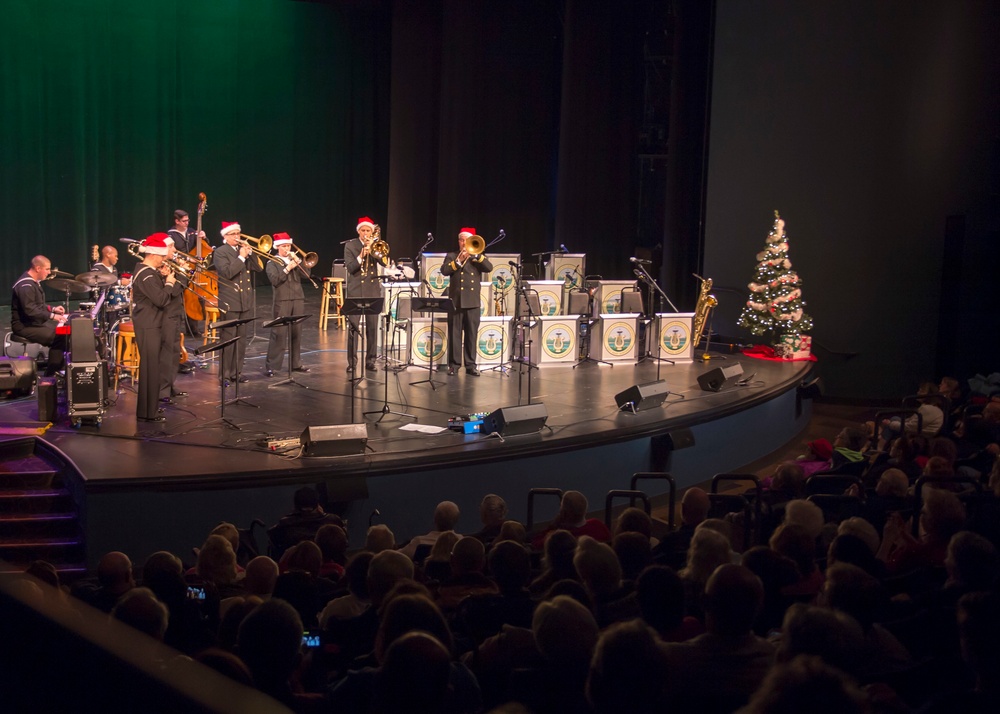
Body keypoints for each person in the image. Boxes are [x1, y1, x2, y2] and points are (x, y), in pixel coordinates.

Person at [131, 234, 183, 422]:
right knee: (150, 370)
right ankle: (147, 412)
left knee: (151, 369)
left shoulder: (149, 272)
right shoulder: (146, 274)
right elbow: (161, 300)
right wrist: (169, 282)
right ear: (154, 255)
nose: (163, 260)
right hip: (148, 325)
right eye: (161, 257)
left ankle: (149, 410)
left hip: (152, 323)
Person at [212, 220, 263, 384]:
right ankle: (224, 375)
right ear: (225, 236)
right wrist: (241, 256)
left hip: (244, 301)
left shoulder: (244, 252)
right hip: (230, 301)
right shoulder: (220, 252)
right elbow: (227, 272)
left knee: (241, 340)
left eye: (238, 233)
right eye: (232, 234)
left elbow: (259, 268)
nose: (236, 237)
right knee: (228, 339)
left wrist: (251, 252)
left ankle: (236, 372)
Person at [441, 227, 492, 376]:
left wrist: (477, 255)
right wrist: (458, 261)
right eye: (462, 240)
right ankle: (454, 365)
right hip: (455, 302)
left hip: (472, 303)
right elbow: (444, 271)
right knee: (454, 335)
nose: (464, 243)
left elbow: (489, 268)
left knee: (471, 335)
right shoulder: (451, 256)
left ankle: (470, 365)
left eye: (466, 240)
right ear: (459, 241)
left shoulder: (478, 257)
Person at [10, 255, 68, 375]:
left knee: (63, 334)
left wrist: (53, 309)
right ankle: (51, 375)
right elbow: (30, 310)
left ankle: (57, 370)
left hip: (31, 324)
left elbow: (38, 304)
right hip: (23, 327)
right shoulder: (26, 285)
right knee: (59, 338)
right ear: (37, 268)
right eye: (47, 269)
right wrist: (52, 316)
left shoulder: (33, 283)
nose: (48, 272)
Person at [343, 216, 387, 373]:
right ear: (358, 231)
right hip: (355, 292)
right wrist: (361, 255)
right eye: (363, 230)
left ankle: (371, 360)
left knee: (372, 328)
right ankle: (352, 362)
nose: (366, 233)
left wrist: (374, 251)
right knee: (353, 328)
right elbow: (351, 268)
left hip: (372, 291)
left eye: (369, 231)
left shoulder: (377, 245)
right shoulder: (350, 246)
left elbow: (385, 262)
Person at [264, 232, 309, 377]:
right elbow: (275, 280)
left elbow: (307, 275)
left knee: (297, 333)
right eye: (284, 246)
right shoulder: (272, 262)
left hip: (297, 298)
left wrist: (299, 263)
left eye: (288, 245)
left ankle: (296, 364)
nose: (287, 248)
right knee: (279, 333)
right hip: (282, 300)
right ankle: (272, 366)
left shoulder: (294, 261)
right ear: (277, 247)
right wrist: (287, 268)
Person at [159, 236, 188, 404]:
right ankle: (163, 389)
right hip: (167, 315)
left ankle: (170, 385)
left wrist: (182, 273)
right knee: (167, 353)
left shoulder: (171, 266)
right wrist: (182, 273)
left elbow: (182, 287)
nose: (175, 250)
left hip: (176, 313)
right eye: (171, 247)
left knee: (175, 351)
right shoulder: (161, 268)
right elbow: (174, 291)